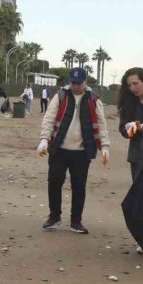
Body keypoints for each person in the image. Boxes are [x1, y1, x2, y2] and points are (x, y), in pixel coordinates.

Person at [37, 67, 109, 234]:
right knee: (54, 182)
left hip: (82, 152)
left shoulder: (93, 99)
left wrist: (104, 146)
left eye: (78, 83)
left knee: (79, 186)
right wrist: (43, 140)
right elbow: (49, 119)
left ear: (85, 82)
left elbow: (101, 125)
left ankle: (76, 221)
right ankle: (54, 216)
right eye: (72, 82)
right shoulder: (60, 96)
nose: (75, 86)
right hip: (59, 149)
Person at [117, 67, 143, 182]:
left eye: (135, 83)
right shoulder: (128, 104)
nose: (132, 88)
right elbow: (123, 130)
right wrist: (132, 128)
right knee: (138, 194)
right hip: (136, 156)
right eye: (129, 85)